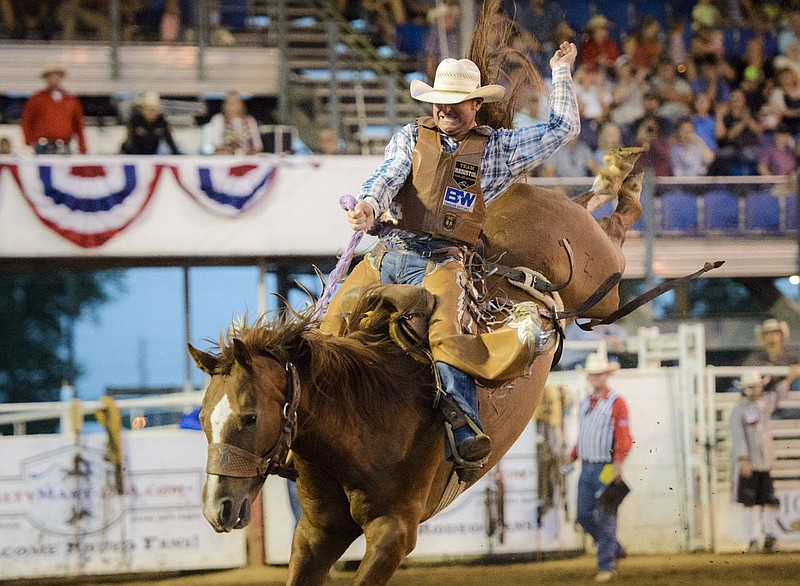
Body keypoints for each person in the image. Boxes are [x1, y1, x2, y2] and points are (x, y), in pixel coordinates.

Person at [321, 42, 580, 482]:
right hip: (390, 250)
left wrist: (561, 74)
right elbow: (388, 176)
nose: (443, 110)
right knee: (331, 324)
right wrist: (368, 204)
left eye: (454, 103)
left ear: (476, 105)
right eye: (439, 102)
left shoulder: (497, 150)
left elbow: (562, 129)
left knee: (447, 337)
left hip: (443, 261)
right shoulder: (409, 137)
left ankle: (463, 427)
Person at [568, 352, 633, 583]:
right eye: (593, 375)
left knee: (606, 516)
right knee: (583, 515)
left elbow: (623, 436)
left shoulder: (616, 401)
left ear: (606, 376)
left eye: (599, 374)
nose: (596, 378)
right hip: (586, 466)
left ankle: (606, 564)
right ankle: (613, 547)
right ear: (589, 377)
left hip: (606, 466)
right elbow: (584, 434)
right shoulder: (585, 402)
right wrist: (573, 455)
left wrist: (618, 464)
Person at [729, 368, 796, 553]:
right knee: (750, 502)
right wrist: (743, 458)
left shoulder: (764, 404)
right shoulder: (739, 411)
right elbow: (738, 436)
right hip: (750, 463)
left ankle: (768, 536)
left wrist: (789, 378)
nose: (754, 390)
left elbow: (777, 394)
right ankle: (752, 539)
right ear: (744, 390)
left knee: (767, 500)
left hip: (764, 463)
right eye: (750, 387)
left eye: (756, 387)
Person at [20, 63, 87, 155]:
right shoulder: (36, 99)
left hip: (64, 145)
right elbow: (27, 121)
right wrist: (29, 141)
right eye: (51, 76)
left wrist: (82, 146)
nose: (54, 79)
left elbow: (78, 125)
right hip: (42, 145)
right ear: (46, 78)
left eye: (56, 76)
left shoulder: (71, 100)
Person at [203, 91, 262, 155]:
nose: (233, 105)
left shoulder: (250, 120)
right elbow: (215, 143)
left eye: (236, 102)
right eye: (230, 103)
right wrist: (232, 139)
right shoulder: (219, 119)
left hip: (247, 159)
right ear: (225, 105)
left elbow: (258, 145)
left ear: (241, 104)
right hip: (225, 159)